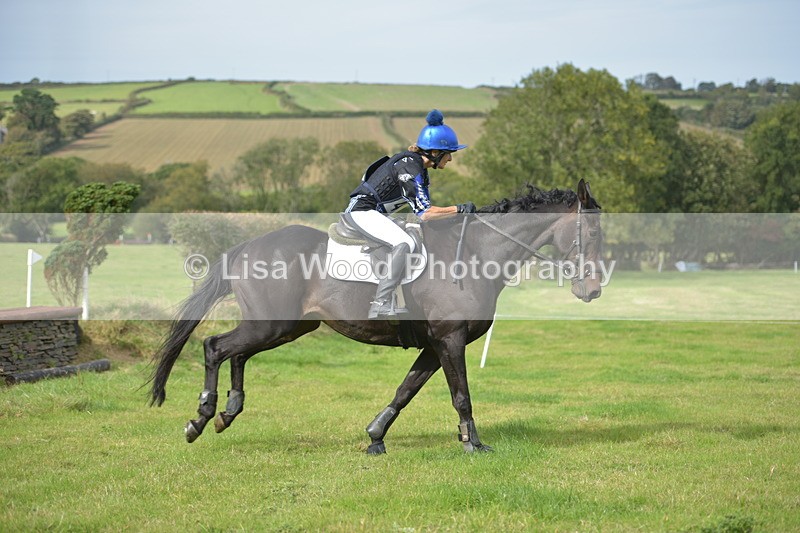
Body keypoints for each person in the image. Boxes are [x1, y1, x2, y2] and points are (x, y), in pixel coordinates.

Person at [343, 109, 477, 320]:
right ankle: (381, 302)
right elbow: (425, 213)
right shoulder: (410, 167)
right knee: (403, 243)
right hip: (362, 212)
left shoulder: (418, 168)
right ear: (434, 153)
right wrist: (457, 209)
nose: (450, 158)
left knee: (414, 231)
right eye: (449, 153)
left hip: (376, 214)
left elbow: (422, 211)